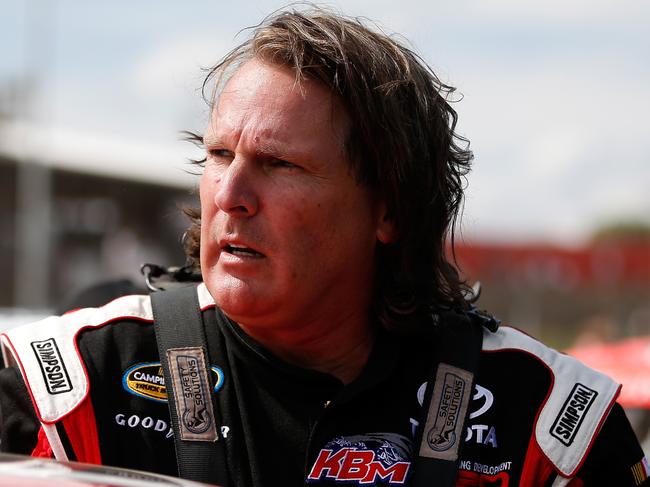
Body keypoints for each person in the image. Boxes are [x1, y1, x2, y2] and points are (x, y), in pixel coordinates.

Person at [1, 7, 648, 487]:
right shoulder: (69, 384)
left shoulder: (546, 422)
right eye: (220, 155)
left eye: (280, 164)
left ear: (388, 209)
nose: (231, 193)